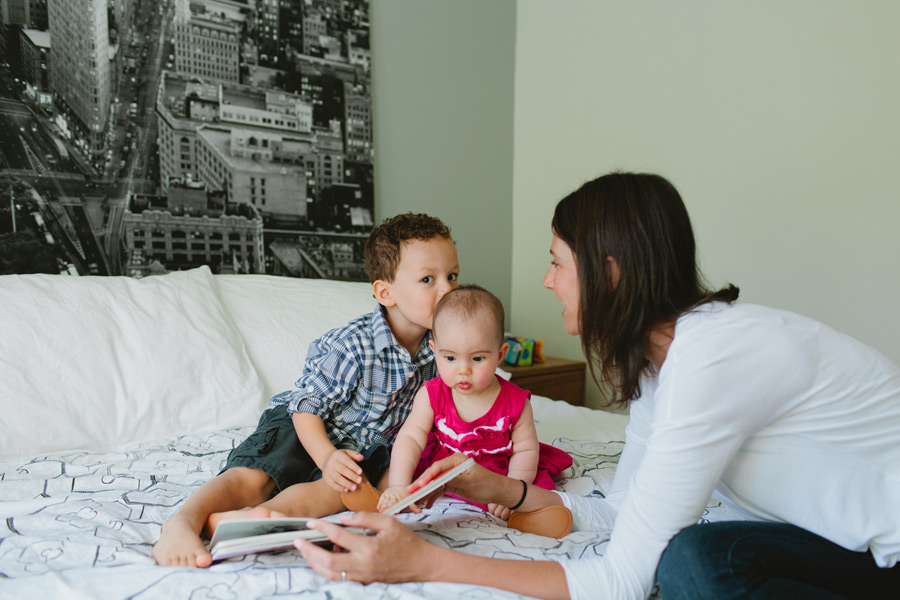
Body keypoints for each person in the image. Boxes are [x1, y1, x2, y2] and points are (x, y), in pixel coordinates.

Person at [292, 172, 900, 600]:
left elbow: (619, 583)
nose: (547, 280)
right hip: (844, 545)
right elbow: (616, 511)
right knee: (702, 552)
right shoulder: (663, 367)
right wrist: (493, 485)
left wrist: (427, 561)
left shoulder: (715, 357)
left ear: (608, 273)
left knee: (691, 564)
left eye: (558, 261)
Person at [152, 212, 460, 568]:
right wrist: (326, 456)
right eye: (428, 279)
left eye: (452, 275)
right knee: (255, 475)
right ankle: (183, 521)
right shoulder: (354, 345)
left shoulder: (442, 350)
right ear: (385, 292)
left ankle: (253, 519)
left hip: (362, 451)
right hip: (305, 425)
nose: (448, 290)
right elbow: (306, 407)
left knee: (332, 493)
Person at [376, 285, 572, 534]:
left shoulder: (516, 402)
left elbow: (525, 449)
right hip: (444, 468)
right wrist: (399, 485)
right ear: (435, 351)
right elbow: (411, 438)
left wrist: (511, 491)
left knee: (537, 489)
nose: (463, 370)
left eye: (478, 359)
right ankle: (390, 496)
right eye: (450, 358)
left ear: (500, 355)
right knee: (396, 473)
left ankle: (529, 518)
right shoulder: (431, 394)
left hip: (498, 474)